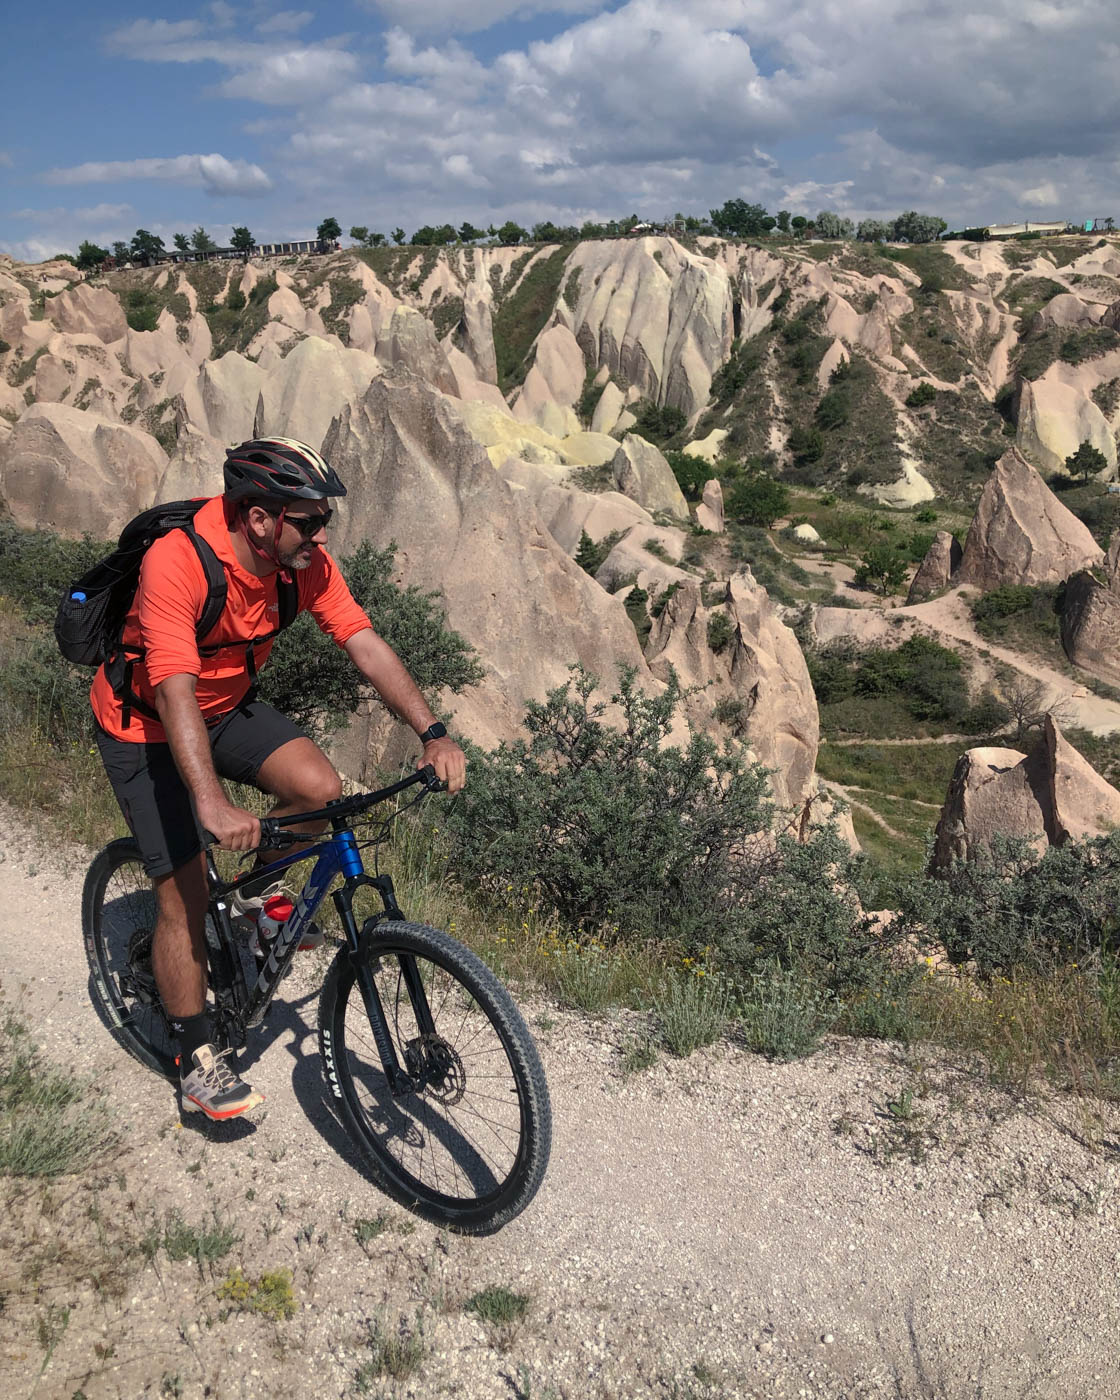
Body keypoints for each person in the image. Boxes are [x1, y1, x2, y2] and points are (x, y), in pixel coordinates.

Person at [90, 437, 467, 1121]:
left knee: (320, 793)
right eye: (310, 520)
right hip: (144, 722)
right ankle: (195, 1055)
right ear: (259, 518)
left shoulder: (303, 565)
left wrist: (431, 731)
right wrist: (210, 801)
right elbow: (174, 692)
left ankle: (255, 903)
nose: (322, 535)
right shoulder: (179, 561)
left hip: (225, 706)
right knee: (183, 894)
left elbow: (363, 641)